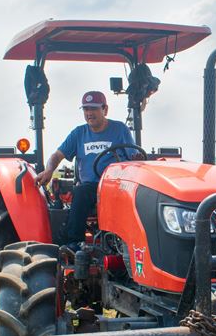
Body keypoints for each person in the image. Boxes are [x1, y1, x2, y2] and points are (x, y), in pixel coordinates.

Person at [35, 91, 138, 249]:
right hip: (92, 186)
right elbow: (57, 155)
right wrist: (49, 170)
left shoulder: (120, 129)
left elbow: (134, 157)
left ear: (105, 109)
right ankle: (73, 242)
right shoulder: (79, 133)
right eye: (86, 109)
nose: (89, 113)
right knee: (81, 191)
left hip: (116, 185)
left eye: (93, 109)